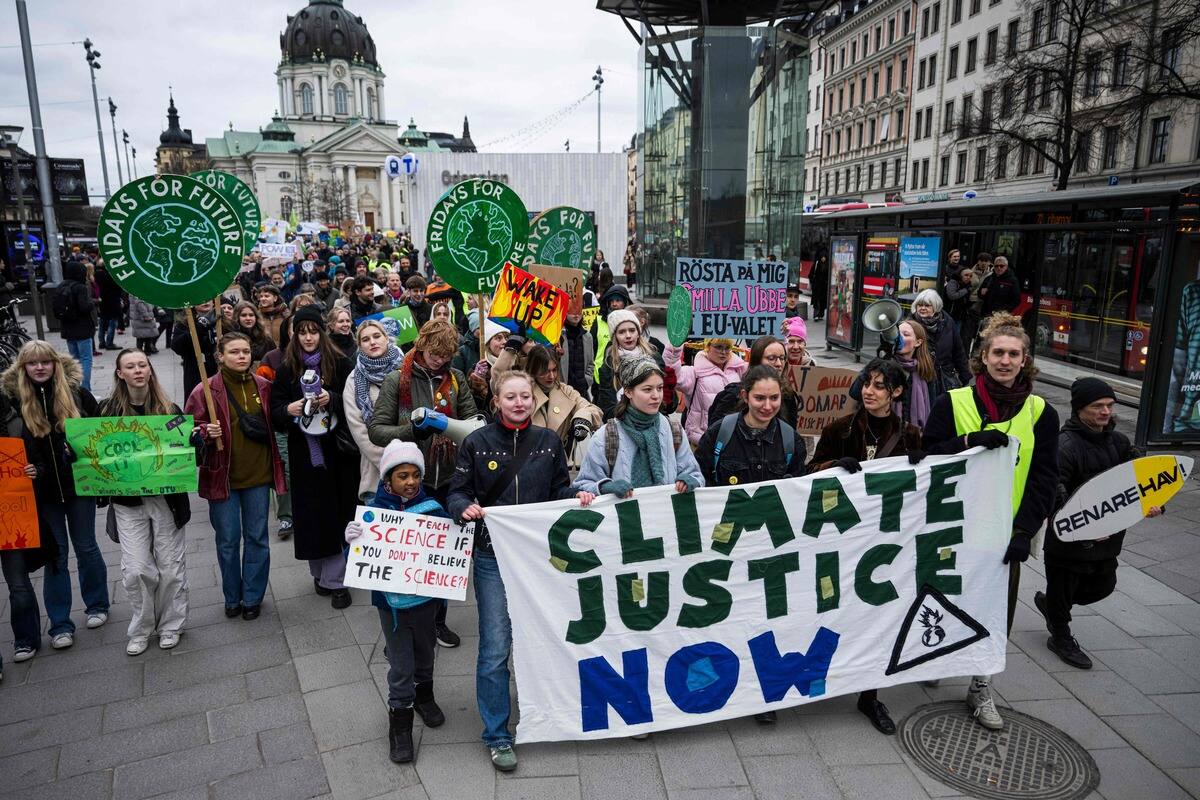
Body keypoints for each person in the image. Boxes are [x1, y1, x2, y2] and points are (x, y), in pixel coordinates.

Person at [447, 370, 596, 771]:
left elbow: (556, 491)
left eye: (525, 397)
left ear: (534, 401)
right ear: (496, 401)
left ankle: (555, 711)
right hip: (494, 559)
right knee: (496, 648)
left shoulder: (548, 442)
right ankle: (497, 734)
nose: (518, 403)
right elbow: (457, 491)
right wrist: (462, 507)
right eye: (510, 396)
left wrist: (578, 493)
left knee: (550, 636)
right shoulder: (476, 443)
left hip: (539, 560)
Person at [922, 312, 1060, 730]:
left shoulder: (1041, 413)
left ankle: (981, 685)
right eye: (997, 352)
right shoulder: (954, 402)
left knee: (996, 612)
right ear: (982, 357)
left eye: (1013, 354)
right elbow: (927, 458)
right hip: (952, 526)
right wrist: (967, 442)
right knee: (942, 598)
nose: (1005, 360)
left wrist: (1025, 531)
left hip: (1004, 535)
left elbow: (1044, 478)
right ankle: (935, 656)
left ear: (1024, 361)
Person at [809, 358, 924, 735]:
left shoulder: (910, 435)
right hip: (842, 538)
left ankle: (869, 693)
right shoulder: (841, 429)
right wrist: (831, 465)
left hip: (886, 544)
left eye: (878, 385)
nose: (869, 392)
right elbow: (806, 475)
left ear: (896, 391)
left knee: (879, 615)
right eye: (866, 384)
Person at [1036, 379, 1160, 669]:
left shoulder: (1119, 442)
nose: (1105, 411)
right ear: (1081, 409)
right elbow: (1056, 490)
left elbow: (1139, 479)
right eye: (1098, 406)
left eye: (1109, 405)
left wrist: (1152, 503)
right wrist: (1081, 522)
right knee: (1065, 585)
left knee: (1102, 587)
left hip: (1109, 538)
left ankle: (1054, 604)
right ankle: (1060, 635)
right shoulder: (1064, 445)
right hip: (1069, 541)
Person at [369, 320, 477, 648]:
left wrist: (454, 425)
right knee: (407, 558)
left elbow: (473, 422)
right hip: (409, 484)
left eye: (445, 355)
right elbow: (376, 429)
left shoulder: (456, 379)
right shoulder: (396, 380)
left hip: (448, 479)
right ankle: (401, 628)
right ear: (422, 344)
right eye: (434, 353)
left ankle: (437, 622)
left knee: (440, 558)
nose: (439, 360)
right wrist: (412, 432)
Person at [344, 441, 448, 764]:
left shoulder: (432, 506)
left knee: (426, 652)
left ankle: (424, 696)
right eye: (403, 475)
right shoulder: (374, 512)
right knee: (401, 665)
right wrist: (352, 539)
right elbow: (357, 560)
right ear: (388, 479)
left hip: (426, 601)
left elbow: (448, 546)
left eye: (416, 475)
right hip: (391, 607)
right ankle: (400, 726)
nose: (411, 482)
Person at [2, 341, 107, 649]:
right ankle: (60, 624)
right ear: (23, 368)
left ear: (55, 364)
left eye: (45, 362)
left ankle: (98, 604)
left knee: (86, 546)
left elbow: (99, 434)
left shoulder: (77, 394)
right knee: (56, 554)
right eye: (32, 363)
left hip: (79, 485)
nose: (39, 368)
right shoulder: (13, 402)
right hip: (42, 493)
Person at [101, 349, 199, 655]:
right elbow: (97, 454)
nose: (138, 370)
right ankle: (142, 627)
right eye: (130, 366)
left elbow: (187, 458)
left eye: (142, 364)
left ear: (150, 369)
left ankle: (171, 624)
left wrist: (195, 444)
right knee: (136, 569)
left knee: (170, 567)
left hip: (166, 500)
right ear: (120, 374)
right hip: (128, 502)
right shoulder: (108, 413)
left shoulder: (168, 410)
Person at [187, 333, 287, 620]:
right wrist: (205, 432)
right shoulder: (204, 390)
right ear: (220, 355)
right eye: (234, 352)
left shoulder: (265, 386)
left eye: (245, 351)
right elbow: (185, 430)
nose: (242, 356)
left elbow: (278, 418)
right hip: (222, 478)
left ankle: (253, 597)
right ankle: (232, 596)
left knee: (257, 538)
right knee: (228, 541)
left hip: (257, 475)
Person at [270, 304, 360, 609]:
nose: (308, 337)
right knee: (312, 515)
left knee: (337, 511)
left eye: (313, 331)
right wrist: (290, 409)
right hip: (305, 455)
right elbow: (275, 411)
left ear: (322, 332)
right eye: (302, 331)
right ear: (295, 335)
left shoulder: (340, 363)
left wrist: (331, 399)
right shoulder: (287, 368)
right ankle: (320, 573)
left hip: (337, 452)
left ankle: (337, 580)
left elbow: (354, 403)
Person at [344, 320, 404, 501]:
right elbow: (359, 430)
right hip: (376, 473)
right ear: (360, 346)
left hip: (412, 469)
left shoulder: (407, 369)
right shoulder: (354, 380)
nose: (372, 342)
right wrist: (391, 463)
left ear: (387, 338)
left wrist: (408, 460)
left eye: (377, 336)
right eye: (366, 339)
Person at [665, 337, 748, 446]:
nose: (723, 352)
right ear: (707, 347)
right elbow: (672, 375)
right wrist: (674, 347)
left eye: (727, 348)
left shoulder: (740, 370)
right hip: (701, 441)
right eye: (718, 347)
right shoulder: (694, 373)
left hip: (734, 441)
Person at [524, 344, 602, 458]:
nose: (551, 376)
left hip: (558, 460)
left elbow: (591, 409)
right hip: (528, 459)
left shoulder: (565, 390)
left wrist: (582, 419)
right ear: (533, 370)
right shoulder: (522, 392)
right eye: (545, 371)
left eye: (554, 370)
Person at [707, 336, 797, 427]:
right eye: (771, 358)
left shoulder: (788, 396)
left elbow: (791, 435)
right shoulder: (732, 396)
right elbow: (714, 435)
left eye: (782, 358)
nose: (779, 364)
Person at [595, 308, 665, 419]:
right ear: (615, 337)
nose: (628, 335)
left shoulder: (654, 357)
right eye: (622, 332)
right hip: (624, 423)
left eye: (632, 330)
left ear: (638, 332)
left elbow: (666, 401)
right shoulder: (609, 366)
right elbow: (607, 408)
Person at [911, 289, 971, 399]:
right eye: (920, 305)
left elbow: (958, 351)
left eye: (927, 305)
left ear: (936, 307)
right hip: (920, 378)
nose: (922, 308)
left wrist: (964, 375)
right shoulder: (910, 324)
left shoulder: (948, 322)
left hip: (944, 378)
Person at [52, 259, 97, 392]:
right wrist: (92, 303)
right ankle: (86, 389)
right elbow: (84, 307)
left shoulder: (61, 286)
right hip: (82, 329)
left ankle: (75, 388)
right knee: (86, 359)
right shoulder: (80, 287)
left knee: (74, 360)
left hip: (68, 329)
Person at [171, 301, 218, 401]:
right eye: (201, 299)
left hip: (219, 370)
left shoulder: (222, 319)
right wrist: (201, 325)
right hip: (196, 372)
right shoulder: (185, 323)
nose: (205, 301)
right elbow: (177, 346)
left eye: (208, 298)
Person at [233, 301, 276, 367]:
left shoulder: (266, 339)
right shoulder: (231, 339)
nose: (248, 318)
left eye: (251, 315)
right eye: (243, 315)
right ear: (237, 317)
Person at [809, 256, 829, 320]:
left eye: (824, 257)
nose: (823, 258)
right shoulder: (816, 264)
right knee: (816, 301)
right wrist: (813, 282)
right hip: (817, 286)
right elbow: (810, 274)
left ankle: (821, 314)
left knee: (822, 301)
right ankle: (816, 315)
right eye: (822, 257)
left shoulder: (828, 265)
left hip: (824, 287)